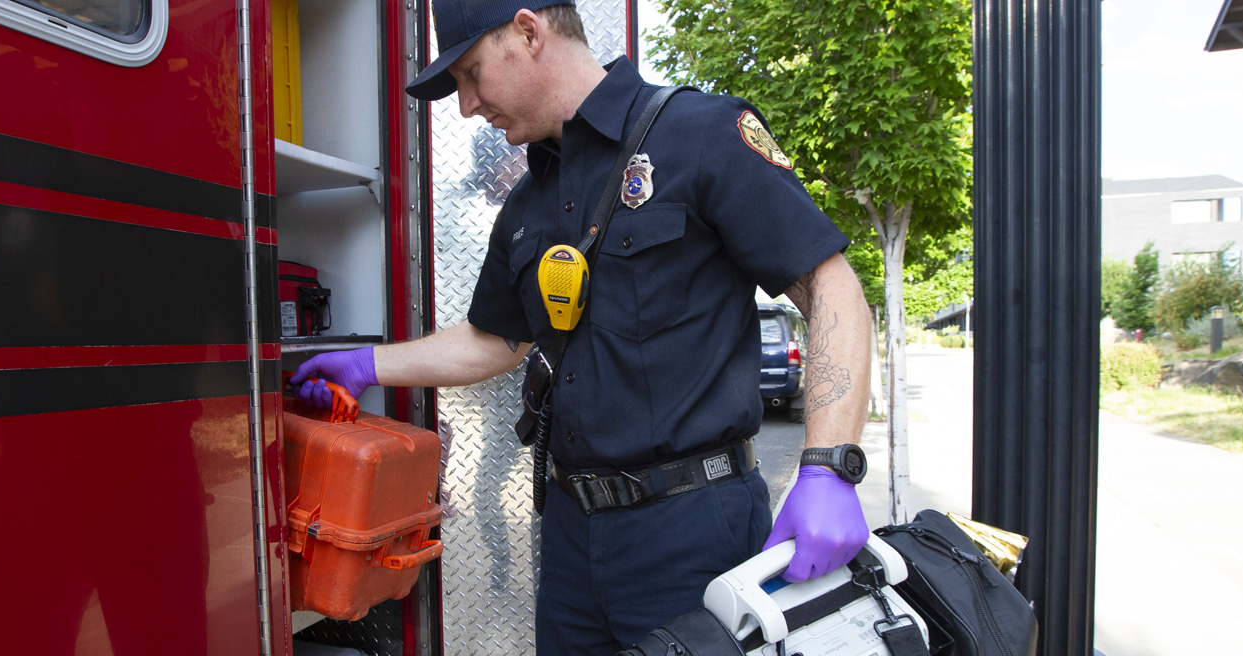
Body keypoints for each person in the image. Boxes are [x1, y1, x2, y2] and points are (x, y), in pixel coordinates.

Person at [292, 1, 875, 653]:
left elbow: (830, 288)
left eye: (470, 75)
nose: (466, 106)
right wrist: (367, 365)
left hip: (692, 530)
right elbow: (496, 341)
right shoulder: (526, 204)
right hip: (570, 532)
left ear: (529, 31)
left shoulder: (698, 133)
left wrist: (829, 465)